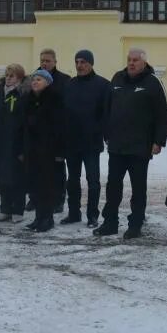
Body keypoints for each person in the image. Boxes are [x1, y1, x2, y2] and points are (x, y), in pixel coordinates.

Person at [94, 48, 167, 240]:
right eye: (129, 60)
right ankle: (110, 222)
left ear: (144, 63)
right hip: (117, 144)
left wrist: (158, 141)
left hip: (140, 146)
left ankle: (135, 224)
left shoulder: (153, 82)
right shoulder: (117, 78)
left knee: (138, 188)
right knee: (113, 187)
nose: (132, 63)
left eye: (136, 60)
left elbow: (162, 113)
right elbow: (107, 107)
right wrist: (106, 132)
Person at [62, 49, 110, 227]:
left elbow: (107, 113)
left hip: (91, 141)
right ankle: (74, 213)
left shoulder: (103, 85)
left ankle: (92, 215)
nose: (80, 65)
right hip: (71, 141)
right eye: (77, 62)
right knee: (72, 181)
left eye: (83, 62)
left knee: (93, 181)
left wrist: (105, 133)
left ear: (91, 64)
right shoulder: (69, 84)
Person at [0, 63, 29, 223]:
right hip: (0, 141)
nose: (8, 78)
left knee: (16, 177)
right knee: (3, 177)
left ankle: (18, 210)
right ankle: (5, 209)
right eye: (7, 75)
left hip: (16, 142)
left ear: (19, 78)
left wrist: (23, 147)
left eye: (12, 75)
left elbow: (24, 120)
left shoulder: (23, 94)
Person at [23, 69, 65, 233]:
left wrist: (60, 152)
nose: (35, 82)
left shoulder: (55, 99)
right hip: (32, 150)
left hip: (49, 151)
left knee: (47, 186)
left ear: (48, 82)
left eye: (39, 79)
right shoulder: (28, 100)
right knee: (35, 186)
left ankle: (47, 218)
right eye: (34, 79)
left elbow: (61, 127)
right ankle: (38, 218)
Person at [37, 48, 71, 215]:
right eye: (42, 60)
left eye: (48, 61)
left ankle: (58, 200)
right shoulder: (34, 78)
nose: (44, 63)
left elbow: (66, 106)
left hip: (57, 131)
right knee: (37, 167)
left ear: (55, 62)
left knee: (57, 168)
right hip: (37, 132)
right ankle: (35, 198)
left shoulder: (64, 80)